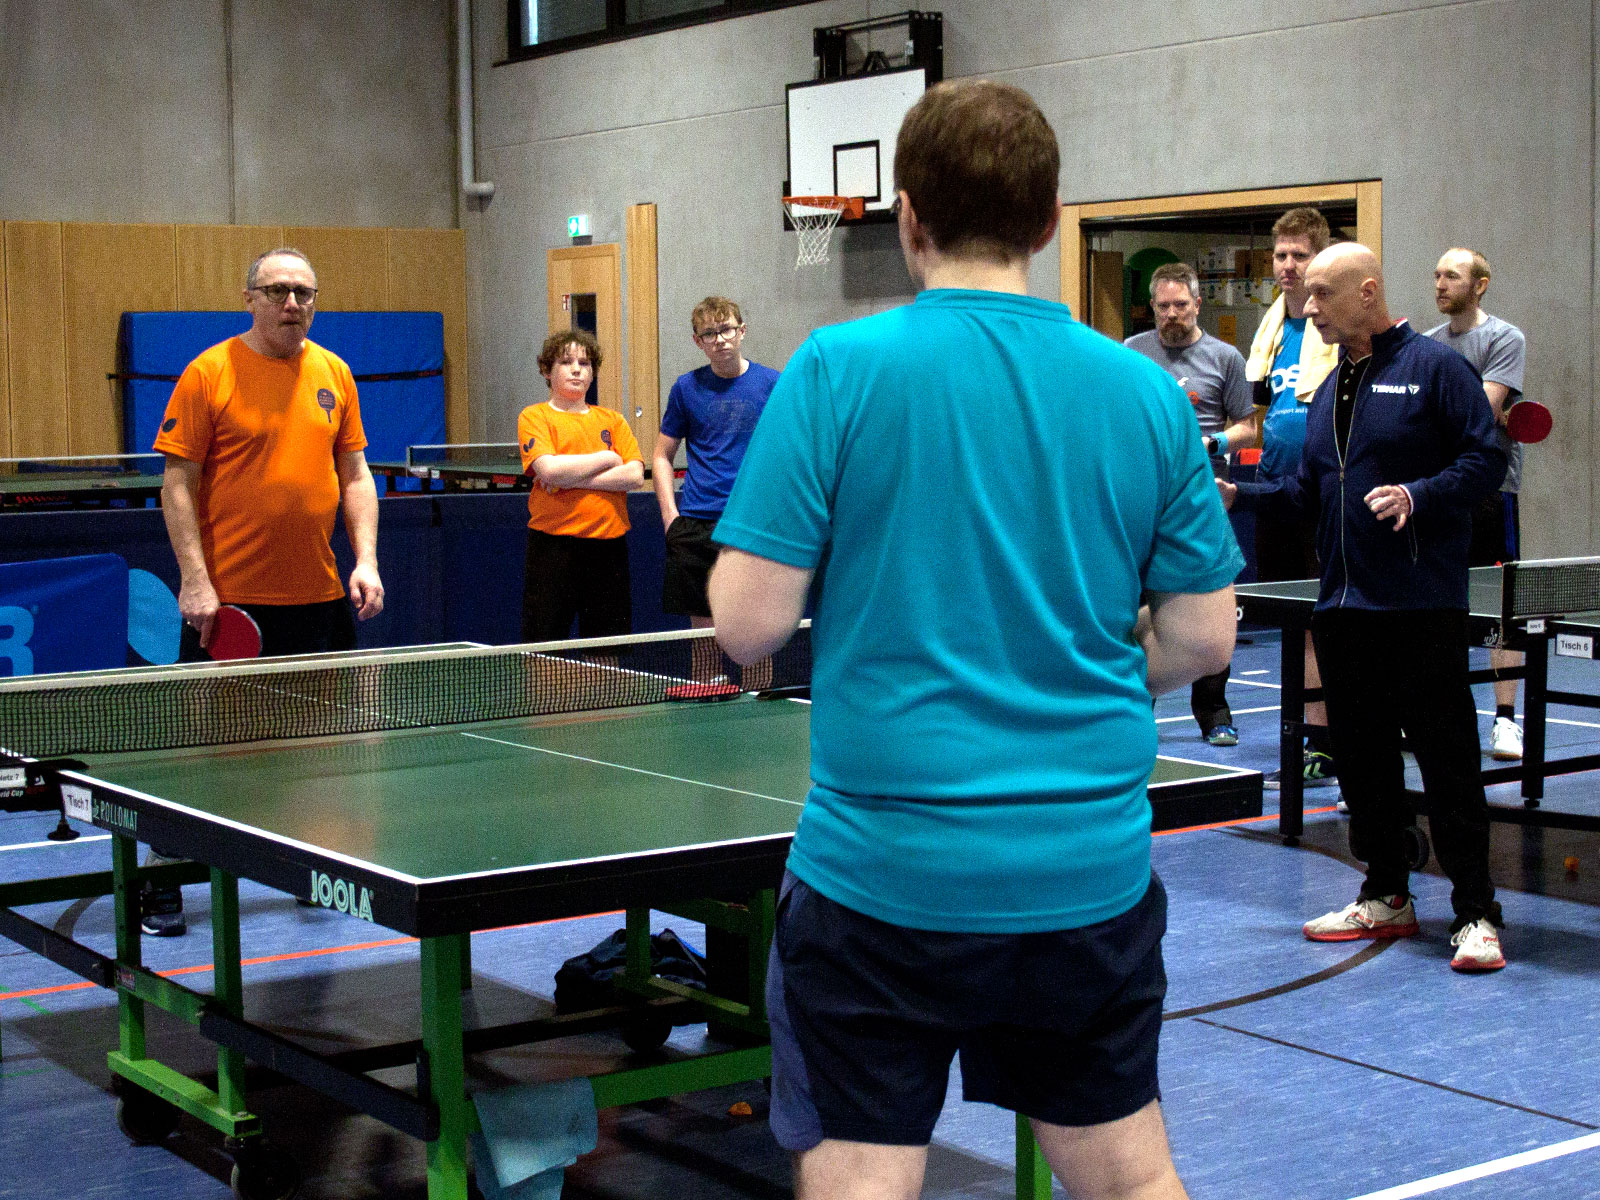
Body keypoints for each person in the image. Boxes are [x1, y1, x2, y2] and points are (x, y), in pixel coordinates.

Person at [710, 79, 1240, 1200]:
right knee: (1130, 1181)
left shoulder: (834, 369)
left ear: (907, 215)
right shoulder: (1147, 394)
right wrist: (1094, 666)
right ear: (1048, 223)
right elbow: (1203, 641)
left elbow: (747, 625)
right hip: (1085, 877)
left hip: (879, 882)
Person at [1222, 243, 1508, 972]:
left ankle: (1476, 912)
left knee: (1447, 766)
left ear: (1368, 293)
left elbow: (1487, 461)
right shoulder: (1328, 390)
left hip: (1419, 607)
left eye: (1323, 293)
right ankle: (1386, 894)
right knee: (1365, 765)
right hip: (1344, 609)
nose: (1309, 305)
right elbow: (1307, 494)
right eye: (1308, 295)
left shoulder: (1436, 370)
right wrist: (1237, 496)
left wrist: (1418, 495)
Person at [152, 246, 386, 935]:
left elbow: (355, 475)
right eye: (278, 290)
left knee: (316, 749)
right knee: (204, 753)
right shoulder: (210, 372)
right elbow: (177, 484)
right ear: (249, 297)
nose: (292, 303)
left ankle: (307, 867)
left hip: (317, 599)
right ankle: (163, 881)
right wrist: (195, 580)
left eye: (304, 293)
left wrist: (366, 560)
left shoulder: (333, 372)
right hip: (231, 605)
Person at [1126, 262, 1255, 746]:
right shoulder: (1131, 353)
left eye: (1181, 305)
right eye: (1163, 306)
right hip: (1145, 499)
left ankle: (1215, 713)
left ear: (1198, 305)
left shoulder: (1226, 357)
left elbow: (1248, 427)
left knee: (1206, 607)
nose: (1172, 314)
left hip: (1203, 501)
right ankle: (1137, 709)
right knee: (1138, 605)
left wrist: (1211, 444)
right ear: (1152, 307)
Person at [1245, 208, 1341, 789]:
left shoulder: (1334, 330)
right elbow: (1263, 410)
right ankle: (1308, 738)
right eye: (1280, 255)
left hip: (1322, 497)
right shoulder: (1273, 330)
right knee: (1291, 621)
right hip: (1275, 488)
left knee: (1320, 625)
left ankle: (1325, 743)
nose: (1287, 266)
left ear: (1319, 259)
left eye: (1298, 255)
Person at [1426, 248, 1529, 761]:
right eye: (1437, 275)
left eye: (1453, 275)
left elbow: (1480, 413)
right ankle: (1430, 715)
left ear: (1480, 284)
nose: (1440, 284)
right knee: (1433, 605)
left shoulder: (1504, 339)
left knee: (1501, 606)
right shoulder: (1427, 344)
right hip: (1437, 492)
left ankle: (1505, 720)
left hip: (1491, 491)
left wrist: (1430, 420)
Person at [652, 297, 778, 693]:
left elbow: (790, 451)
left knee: (755, 629)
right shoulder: (685, 389)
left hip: (751, 523)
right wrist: (670, 517)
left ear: (742, 331)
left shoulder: (773, 384)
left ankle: (759, 704)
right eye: (709, 333)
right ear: (698, 341)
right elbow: (661, 456)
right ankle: (706, 700)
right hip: (696, 524)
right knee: (703, 633)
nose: (720, 339)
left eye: (726, 329)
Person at [518, 329, 644, 642]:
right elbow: (549, 470)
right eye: (566, 362)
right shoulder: (534, 417)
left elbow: (634, 476)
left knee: (606, 650)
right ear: (547, 371)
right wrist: (607, 457)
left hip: (608, 546)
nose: (577, 369)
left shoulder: (613, 420)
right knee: (544, 648)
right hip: (552, 546)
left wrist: (567, 478)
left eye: (584, 363)